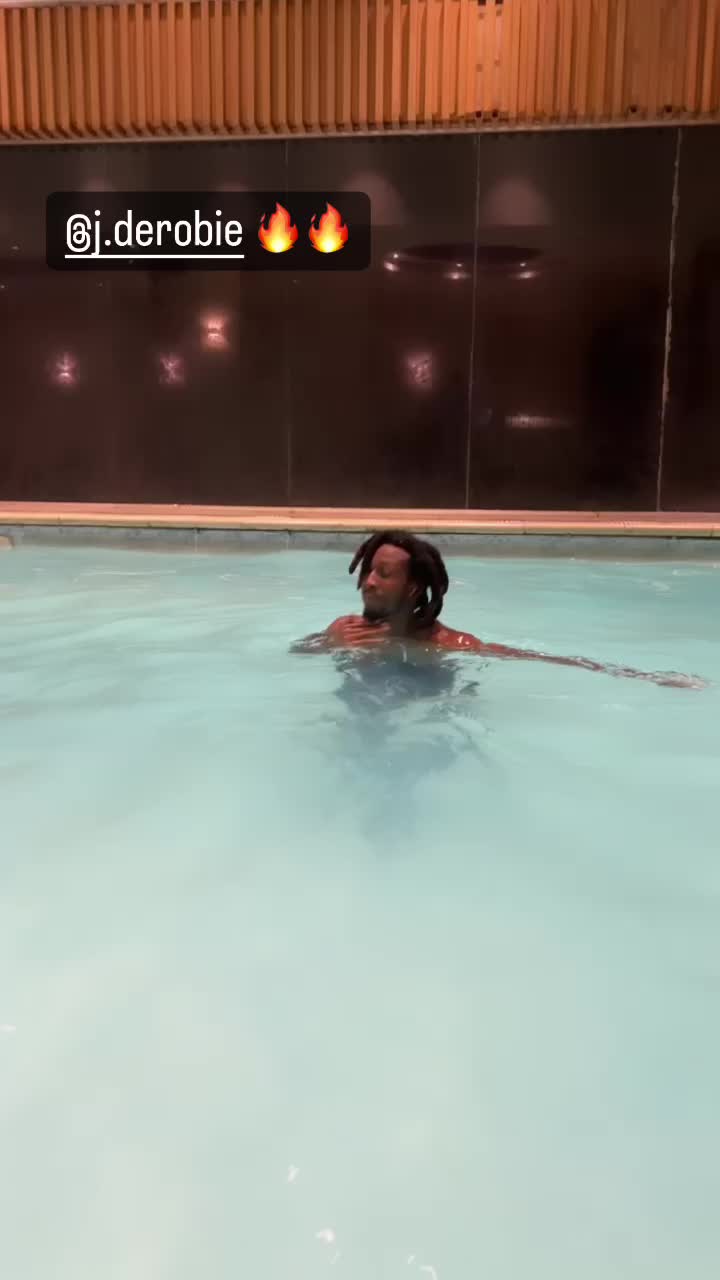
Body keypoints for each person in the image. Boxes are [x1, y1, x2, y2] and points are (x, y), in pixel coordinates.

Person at [291, 530, 705, 689]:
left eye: (383, 574)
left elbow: (533, 657)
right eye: (368, 571)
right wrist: (326, 642)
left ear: (414, 588)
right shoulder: (345, 629)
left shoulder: (447, 644)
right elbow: (295, 654)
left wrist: (642, 677)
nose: (368, 582)